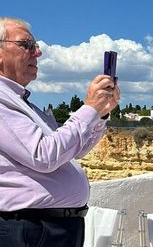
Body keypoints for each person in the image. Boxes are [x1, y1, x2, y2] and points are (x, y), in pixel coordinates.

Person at [0, 17, 120, 247]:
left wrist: (100, 113)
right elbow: (44, 156)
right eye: (26, 45)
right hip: (31, 229)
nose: (38, 53)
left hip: (51, 228)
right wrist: (89, 108)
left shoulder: (23, 104)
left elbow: (72, 151)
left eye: (36, 46)